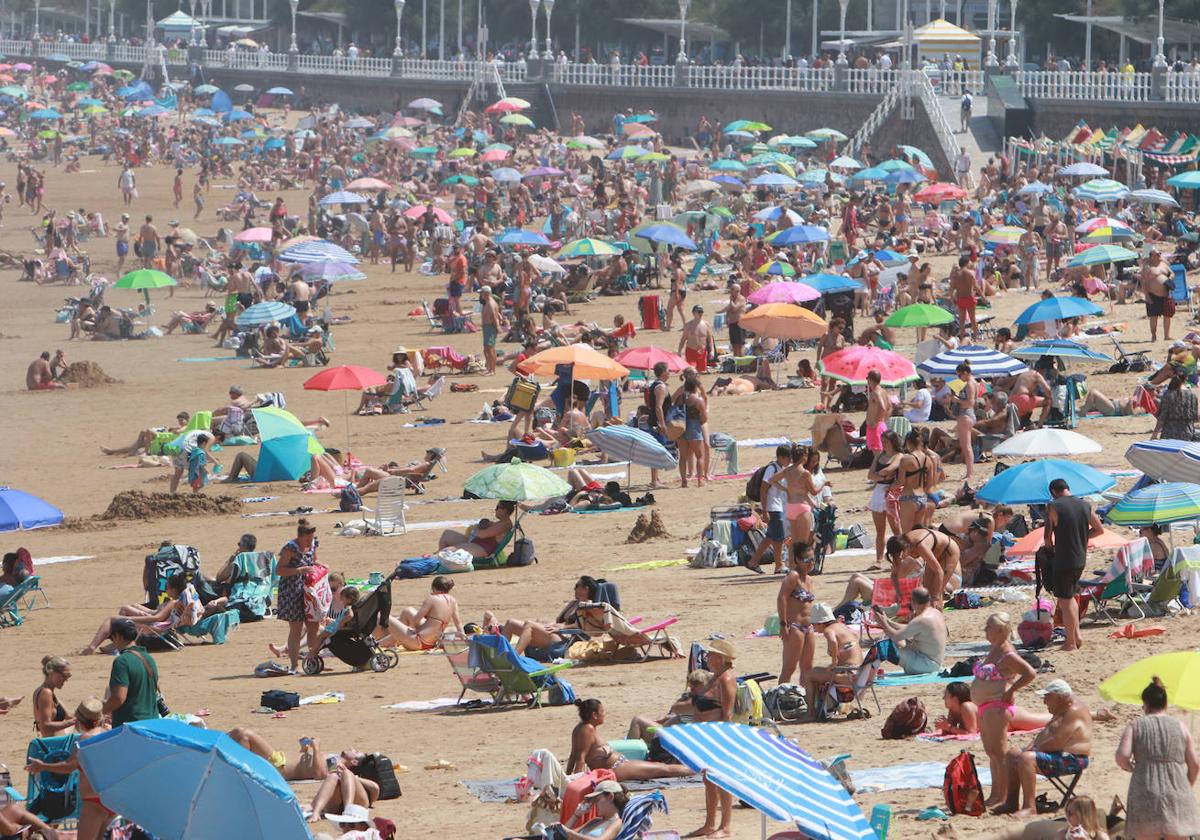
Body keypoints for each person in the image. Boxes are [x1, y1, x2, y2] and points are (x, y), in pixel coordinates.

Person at [993, 679, 1093, 816]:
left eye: (1047, 697)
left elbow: (1058, 741)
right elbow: (1047, 734)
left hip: (1073, 759)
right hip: (1057, 753)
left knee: (1026, 759)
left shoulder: (1073, 711)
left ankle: (1030, 807)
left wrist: (1031, 751)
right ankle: (1011, 802)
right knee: (1012, 753)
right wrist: (1030, 747)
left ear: (1060, 697)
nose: (1044, 701)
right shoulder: (1062, 708)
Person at [1116, 676, 1200, 838]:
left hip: (1145, 788)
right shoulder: (1180, 726)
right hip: (1177, 790)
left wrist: (1131, 767)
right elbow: (1195, 764)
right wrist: (1186, 785)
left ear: (1145, 704)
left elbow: (1122, 756)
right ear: (1166, 704)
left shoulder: (1136, 725)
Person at [973, 612, 1038, 808]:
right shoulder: (994, 649)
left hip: (997, 705)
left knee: (999, 752)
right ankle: (995, 794)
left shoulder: (1008, 653)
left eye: (988, 627)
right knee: (991, 752)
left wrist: (1011, 690)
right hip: (986, 705)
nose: (985, 630)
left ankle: (1003, 796)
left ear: (1001, 630)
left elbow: (1030, 673)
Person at [23, 697, 109, 840]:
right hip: (110, 799)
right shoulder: (110, 733)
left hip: (93, 801)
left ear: (79, 721)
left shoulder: (84, 740)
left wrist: (42, 766)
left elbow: (69, 766)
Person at [567, 698, 693, 780]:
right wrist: (577, 782)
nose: (604, 714)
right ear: (594, 715)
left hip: (619, 766)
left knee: (658, 766)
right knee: (663, 769)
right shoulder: (587, 729)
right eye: (602, 711)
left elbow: (573, 755)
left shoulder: (579, 728)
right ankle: (700, 770)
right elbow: (580, 758)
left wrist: (567, 778)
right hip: (616, 769)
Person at [1045, 478, 1104, 652]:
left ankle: (1070, 642)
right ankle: (1076, 636)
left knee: (1065, 599)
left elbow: (1047, 537)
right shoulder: (1085, 505)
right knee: (1071, 595)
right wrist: (1081, 537)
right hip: (1080, 557)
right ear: (1067, 488)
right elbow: (1099, 529)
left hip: (1064, 557)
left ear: (1053, 492)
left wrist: (1049, 551)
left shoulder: (1054, 506)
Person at [80, 572, 201, 655]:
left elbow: (157, 617)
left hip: (157, 627)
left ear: (174, 590)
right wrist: (138, 608)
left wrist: (130, 619)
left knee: (111, 619)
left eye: (167, 587)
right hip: (159, 623)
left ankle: (94, 647)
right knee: (126, 608)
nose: (165, 589)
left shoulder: (173, 603)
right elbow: (157, 613)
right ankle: (116, 643)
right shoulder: (177, 601)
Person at [686, 640, 737, 838]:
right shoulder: (714, 677)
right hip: (705, 737)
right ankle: (709, 824)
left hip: (717, 737)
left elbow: (728, 713)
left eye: (710, 654)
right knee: (708, 780)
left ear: (720, 658)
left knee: (721, 780)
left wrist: (724, 741)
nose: (706, 657)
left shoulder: (727, 678)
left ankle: (725, 826)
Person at [277, 519, 323, 674]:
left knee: (313, 627)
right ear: (300, 536)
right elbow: (279, 570)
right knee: (296, 628)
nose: (309, 543)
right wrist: (299, 570)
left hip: (309, 590)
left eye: (311, 539)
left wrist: (322, 567)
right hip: (292, 591)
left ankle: (313, 661)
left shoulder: (313, 544)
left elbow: (314, 561)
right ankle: (294, 665)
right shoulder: (290, 548)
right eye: (307, 539)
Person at [804, 602, 864, 722]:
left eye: (814, 624)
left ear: (821, 622)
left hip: (849, 674)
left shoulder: (828, 630)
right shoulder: (841, 626)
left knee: (809, 675)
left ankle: (810, 713)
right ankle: (820, 708)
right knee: (818, 671)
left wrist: (834, 662)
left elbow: (832, 641)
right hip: (861, 673)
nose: (814, 628)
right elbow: (855, 636)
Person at [871, 586, 947, 675]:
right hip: (933, 662)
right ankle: (868, 670)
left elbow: (895, 637)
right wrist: (888, 622)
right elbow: (908, 628)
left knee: (883, 647)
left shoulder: (921, 619)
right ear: (928, 600)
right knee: (898, 642)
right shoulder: (935, 612)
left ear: (913, 602)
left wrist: (883, 624)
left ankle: (865, 674)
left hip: (926, 665)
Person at [102, 618, 161, 726]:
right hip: (152, 722)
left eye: (112, 638)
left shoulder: (122, 661)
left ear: (118, 636)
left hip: (131, 725)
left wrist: (99, 712)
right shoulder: (148, 658)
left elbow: (119, 698)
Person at [935, 681, 1050, 736]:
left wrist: (948, 727)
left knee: (1050, 720)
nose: (943, 698)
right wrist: (943, 725)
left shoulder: (967, 707)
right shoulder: (953, 710)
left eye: (946, 695)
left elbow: (971, 733)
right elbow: (950, 731)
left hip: (1011, 718)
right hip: (1003, 721)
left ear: (955, 699)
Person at [747, 445, 792, 574]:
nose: (789, 461)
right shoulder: (772, 469)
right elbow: (763, 489)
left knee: (770, 537)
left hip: (778, 505)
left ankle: (753, 561)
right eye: (788, 458)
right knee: (779, 537)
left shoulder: (781, 468)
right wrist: (765, 510)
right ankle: (779, 565)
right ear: (781, 457)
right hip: (773, 507)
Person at [777, 542, 817, 685]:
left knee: (807, 668)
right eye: (807, 560)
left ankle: (806, 698)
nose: (811, 563)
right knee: (789, 668)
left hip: (809, 627)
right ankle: (780, 699)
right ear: (798, 560)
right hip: (795, 627)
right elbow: (782, 598)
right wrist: (783, 624)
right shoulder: (793, 576)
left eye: (813, 559)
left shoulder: (809, 579)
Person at [984, 795, 1110, 840]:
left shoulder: (1100, 836)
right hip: (1042, 831)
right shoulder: (1063, 833)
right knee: (1006, 833)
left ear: (1083, 814)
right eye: (1067, 812)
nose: (1067, 816)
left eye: (1071, 813)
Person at [389, 576, 463, 651]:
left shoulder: (432, 599)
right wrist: (464, 639)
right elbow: (458, 623)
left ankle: (385, 642)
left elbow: (415, 621)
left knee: (385, 617)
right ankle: (394, 641)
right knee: (408, 611)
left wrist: (414, 630)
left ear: (434, 588)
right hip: (433, 642)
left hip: (418, 642)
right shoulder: (453, 601)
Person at [437, 500, 515, 558]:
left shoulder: (505, 524)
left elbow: (482, 535)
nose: (495, 510)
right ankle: (444, 563)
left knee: (446, 551)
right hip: (476, 543)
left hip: (482, 548)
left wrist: (477, 527)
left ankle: (441, 563)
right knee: (447, 534)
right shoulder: (501, 523)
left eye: (498, 507)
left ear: (505, 510)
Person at [557, 779, 627, 840]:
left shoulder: (617, 822)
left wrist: (569, 832)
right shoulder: (595, 821)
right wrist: (576, 815)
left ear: (610, 796)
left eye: (597, 800)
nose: (595, 804)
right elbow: (561, 836)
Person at [33, 655, 75, 737]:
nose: (66, 679)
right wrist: (72, 722)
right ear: (51, 673)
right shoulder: (46, 693)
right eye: (64, 675)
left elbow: (68, 716)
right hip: (54, 744)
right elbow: (45, 726)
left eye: (68, 676)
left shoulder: (48, 691)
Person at [1153, 374, 1199, 441]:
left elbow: (1162, 417)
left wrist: (1155, 433)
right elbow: (1196, 418)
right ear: (1186, 380)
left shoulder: (1167, 395)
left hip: (1169, 434)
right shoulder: (1193, 395)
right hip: (1187, 433)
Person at [678, 305, 712, 374]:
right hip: (691, 351)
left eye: (701, 312)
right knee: (691, 371)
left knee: (701, 372)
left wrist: (711, 351)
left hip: (702, 352)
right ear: (693, 313)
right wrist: (679, 351)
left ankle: (698, 384)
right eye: (699, 312)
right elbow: (683, 339)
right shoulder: (688, 325)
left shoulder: (706, 324)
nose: (700, 314)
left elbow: (709, 338)